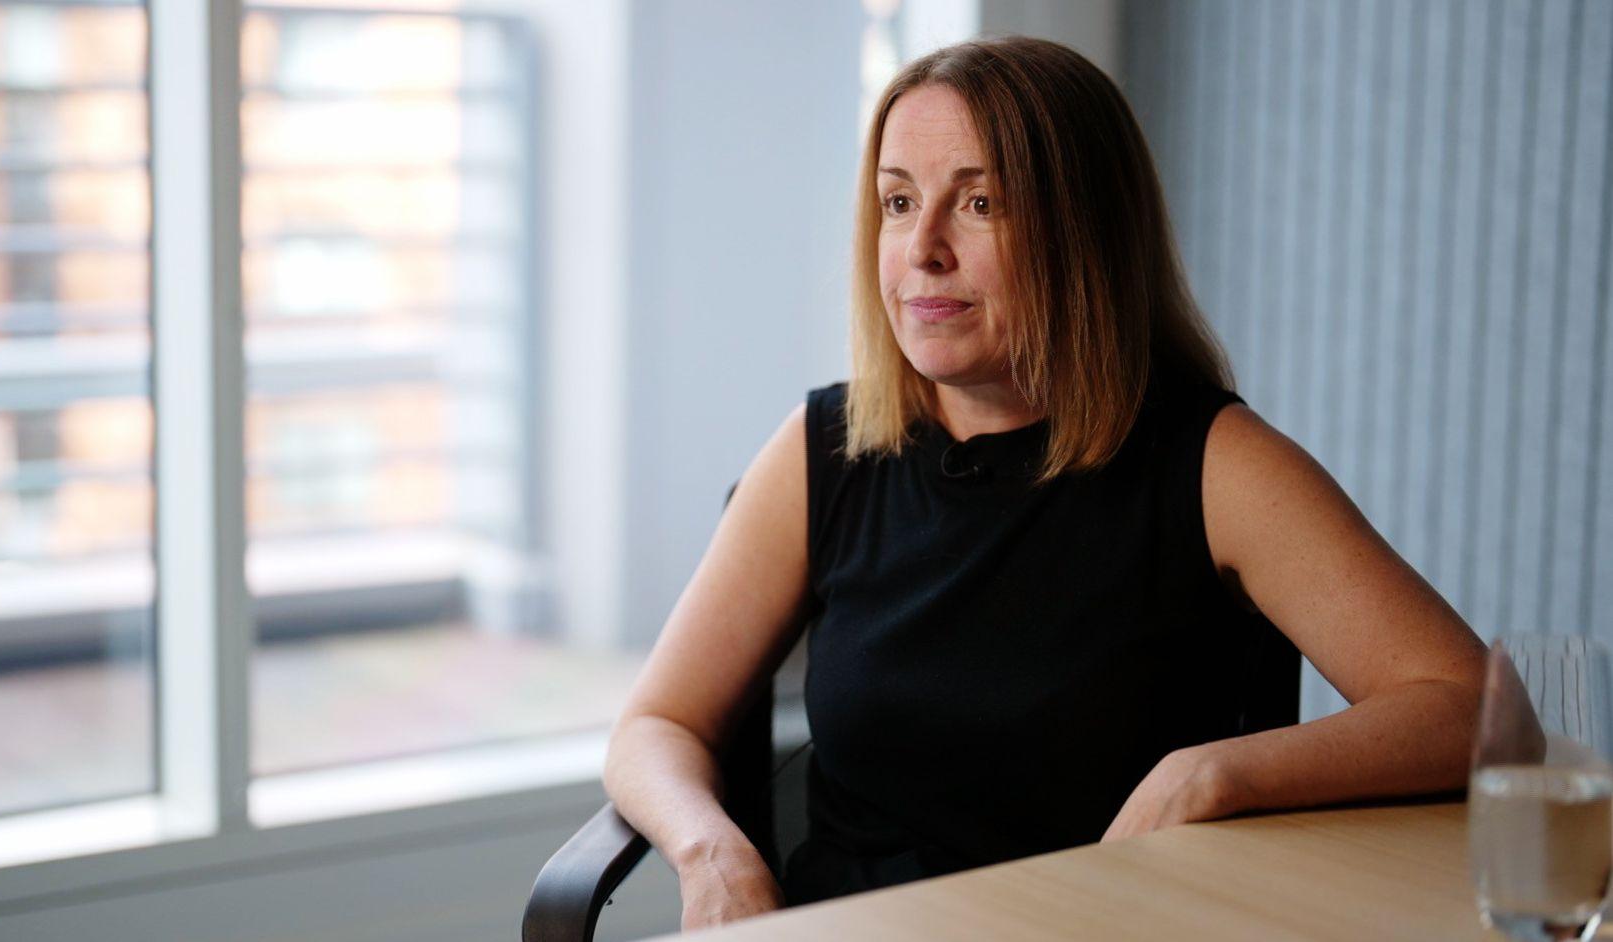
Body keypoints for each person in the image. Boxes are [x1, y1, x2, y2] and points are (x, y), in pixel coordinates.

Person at [602, 36, 1488, 931]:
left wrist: (1216, 772)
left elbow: (1474, 708)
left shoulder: (1215, 463)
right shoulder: (823, 449)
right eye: (898, 202)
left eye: (980, 203)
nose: (923, 249)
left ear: (1083, 231)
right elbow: (657, 724)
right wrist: (707, 850)